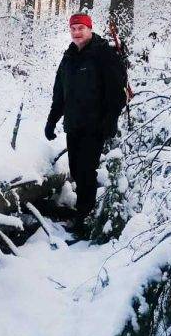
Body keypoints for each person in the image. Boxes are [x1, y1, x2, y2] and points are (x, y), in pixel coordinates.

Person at [44, 12, 127, 235]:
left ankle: (84, 221)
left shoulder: (103, 54)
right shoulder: (68, 58)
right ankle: (83, 214)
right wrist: (51, 122)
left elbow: (117, 93)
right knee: (76, 170)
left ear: (90, 29)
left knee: (86, 172)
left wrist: (110, 121)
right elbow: (59, 94)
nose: (77, 32)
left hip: (95, 125)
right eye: (73, 29)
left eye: (81, 28)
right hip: (74, 126)